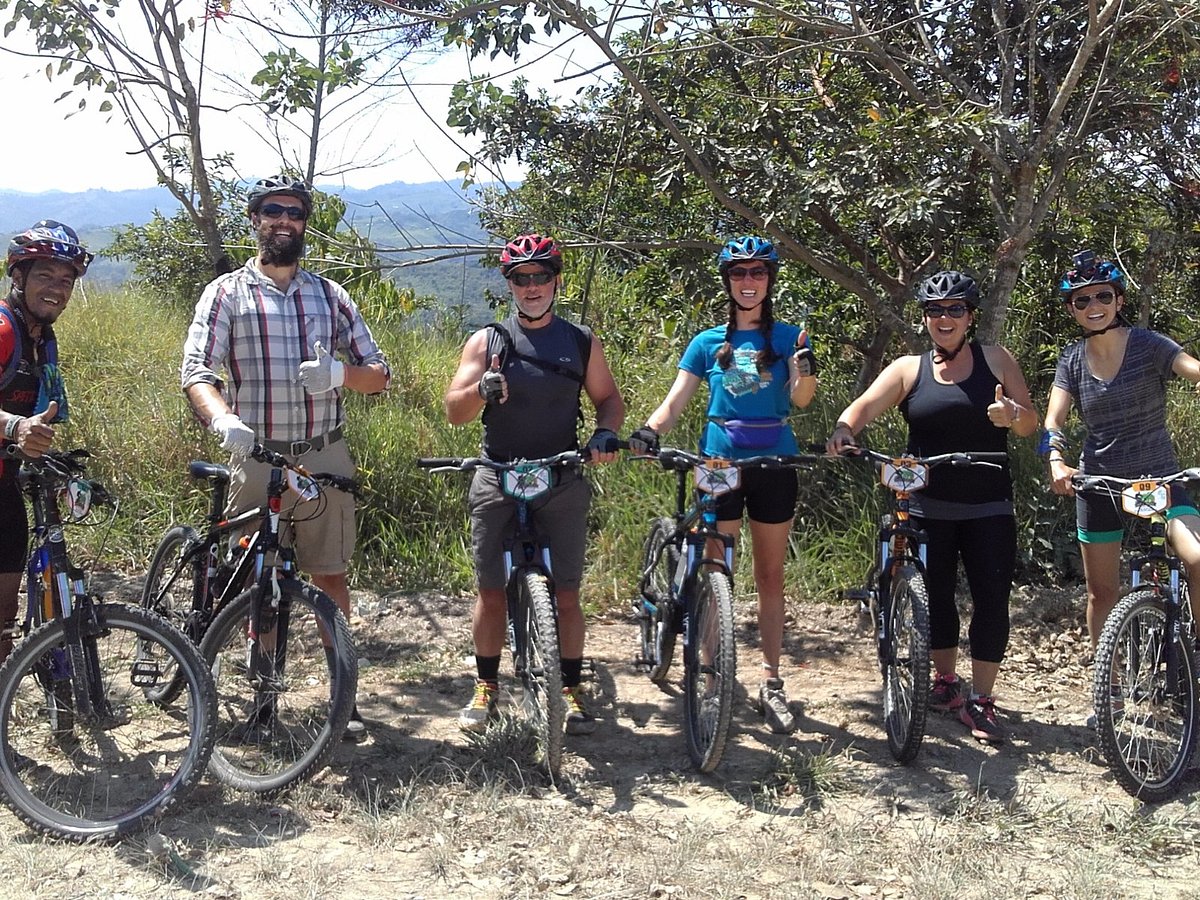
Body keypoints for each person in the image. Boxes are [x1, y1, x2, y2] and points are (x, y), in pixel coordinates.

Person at [181, 175, 391, 743]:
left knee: (330, 576)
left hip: (323, 453)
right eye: (272, 210)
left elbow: (381, 374)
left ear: (303, 223)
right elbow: (198, 371)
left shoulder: (330, 296)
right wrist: (222, 418)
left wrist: (341, 374)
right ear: (255, 220)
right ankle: (262, 698)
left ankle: (342, 697)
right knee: (258, 578)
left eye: (294, 213)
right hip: (258, 457)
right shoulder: (226, 293)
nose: (283, 221)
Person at [826, 270, 1035, 744]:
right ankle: (944, 682)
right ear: (925, 318)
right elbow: (861, 407)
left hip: (988, 504)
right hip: (925, 504)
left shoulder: (997, 361)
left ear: (970, 317)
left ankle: (982, 700)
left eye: (955, 310)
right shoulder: (908, 368)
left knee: (991, 600)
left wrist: (1012, 416)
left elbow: (1029, 426)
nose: (945, 318)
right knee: (934, 596)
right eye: (936, 310)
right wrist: (844, 430)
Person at [628, 235, 817, 735]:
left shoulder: (790, 338)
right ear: (727, 281)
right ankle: (712, 675)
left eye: (757, 272)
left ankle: (772, 681)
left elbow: (800, 401)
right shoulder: (707, 342)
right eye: (739, 273)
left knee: (770, 576)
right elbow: (675, 403)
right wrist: (649, 431)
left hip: (775, 464)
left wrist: (803, 370)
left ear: (770, 279)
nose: (748, 281)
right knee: (717, 570)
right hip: (719, 464)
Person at [444, 233, 624, 736]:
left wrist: (605, 432)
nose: (531, 287)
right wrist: (480, 389)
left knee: (566, 594)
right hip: (498, 473)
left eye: (541, 276)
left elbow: (609, 399)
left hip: (561, 474)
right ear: (510, 285)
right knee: (490, 591)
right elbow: (455, 411)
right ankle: (486, 686)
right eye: (521, 279)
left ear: (556, 281)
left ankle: (569, 688)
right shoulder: (487, 341)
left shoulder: (580, 340)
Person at [1043, 250, 1200, 658]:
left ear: (1119, 301)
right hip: (1100, 483)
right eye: (1082, 300)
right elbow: (1053, 422)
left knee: (1197, 559)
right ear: (1071, 309)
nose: (1093, 307)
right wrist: (1056, 459)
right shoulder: (1071, 362)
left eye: (1102, 297)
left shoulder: (1149, 345)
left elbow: (1190, 366)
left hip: (1161, 480)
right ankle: (1107, 683)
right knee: (1102, 592)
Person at [0, 221, 91, 666]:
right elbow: (19, 422)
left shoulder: (43, 341)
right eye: (44, 276)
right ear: (17, 277)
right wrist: (15, 427)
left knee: (4, 609)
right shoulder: (3, 331)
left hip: (5, 485)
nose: (57, 288)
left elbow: (47, 410)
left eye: (66, 279)